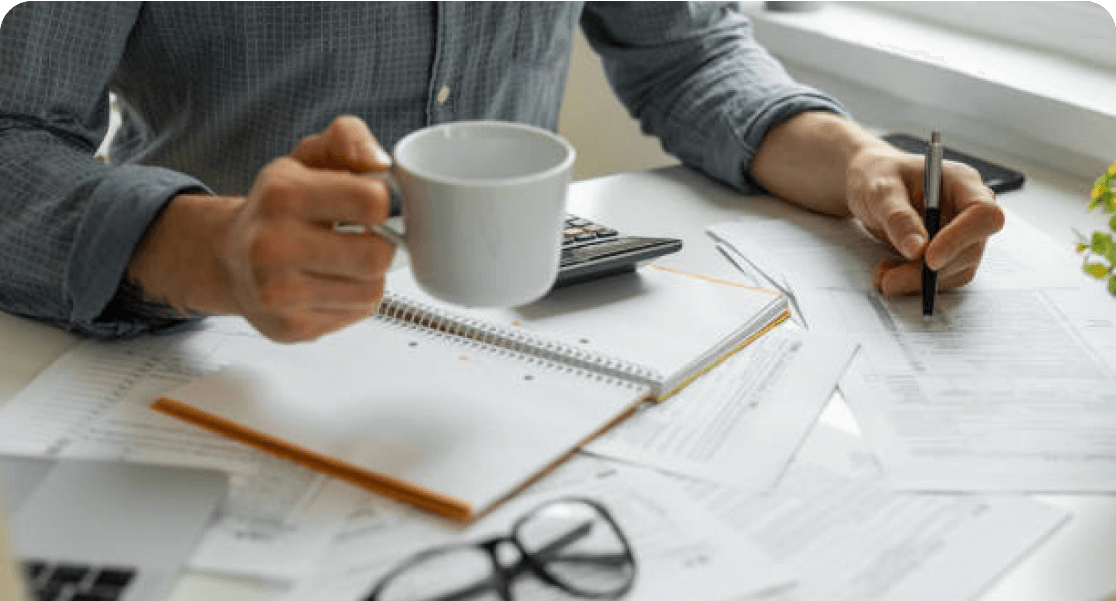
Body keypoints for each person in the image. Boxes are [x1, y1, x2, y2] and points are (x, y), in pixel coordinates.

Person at [0, 1, 1004, 344]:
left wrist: (861, 161)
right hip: (196, 354)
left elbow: (688, 53)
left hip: (525, 356)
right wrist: (214, 251)